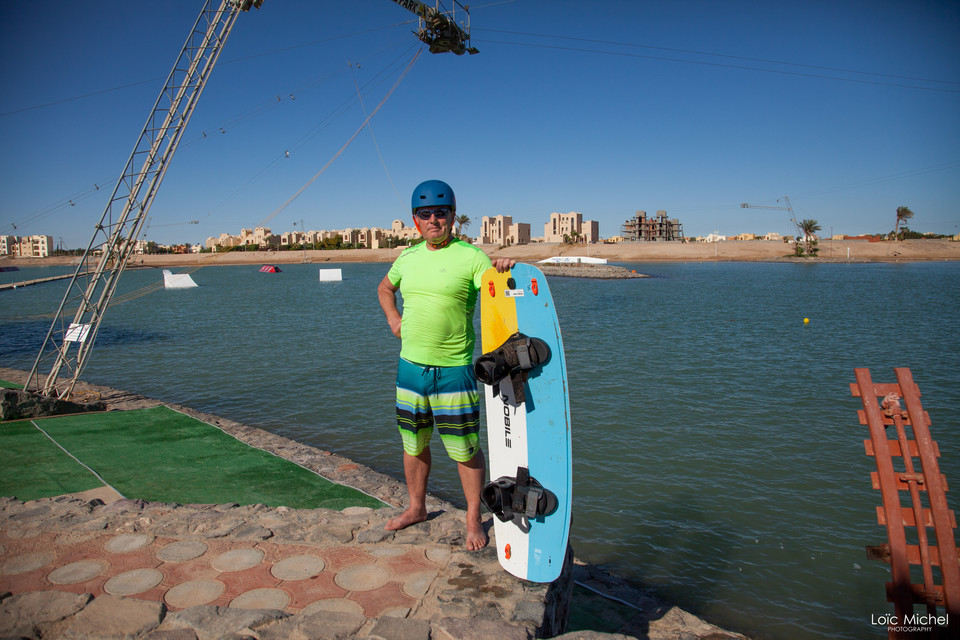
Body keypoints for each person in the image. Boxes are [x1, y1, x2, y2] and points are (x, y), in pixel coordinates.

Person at [377, 179, 514, 551]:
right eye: (425, 213)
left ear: (453, 216)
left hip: (454, 371)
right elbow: (385, 289)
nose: (433, 219)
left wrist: (501, 269)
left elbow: (497, 294)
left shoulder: (472, 258)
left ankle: (473, 518)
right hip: (410, 370)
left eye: (441, 212)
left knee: (465, 449)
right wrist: (394, 319)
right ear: (414, 219)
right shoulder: (407, 257)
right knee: (413, 443)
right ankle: (416, 508)